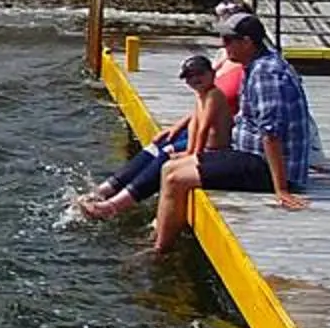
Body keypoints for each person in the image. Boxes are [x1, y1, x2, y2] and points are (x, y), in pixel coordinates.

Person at [150, 12, 319, 254]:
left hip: (266, 166)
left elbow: (271, 133)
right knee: (169, 168)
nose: (223, 45)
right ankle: (161, 236)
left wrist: (281, 189)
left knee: (176, 179)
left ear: (248, 42)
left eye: (229, 40)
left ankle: (160, 251)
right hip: (249, 155)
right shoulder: (258, 64)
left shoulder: (265, 74)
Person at [77, 54, 229, 219]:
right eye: (190, 77)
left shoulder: (213, 95)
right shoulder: (203, 94)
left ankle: (113, 206)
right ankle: (105, 190)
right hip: (202, 146)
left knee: (166, 156)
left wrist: (193, 155)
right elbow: (196, 123)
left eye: (200, 74)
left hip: (212, 151)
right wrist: (178, 129)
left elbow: (204, 128)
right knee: (159, 146)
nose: (195, 79)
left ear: (212, 74)